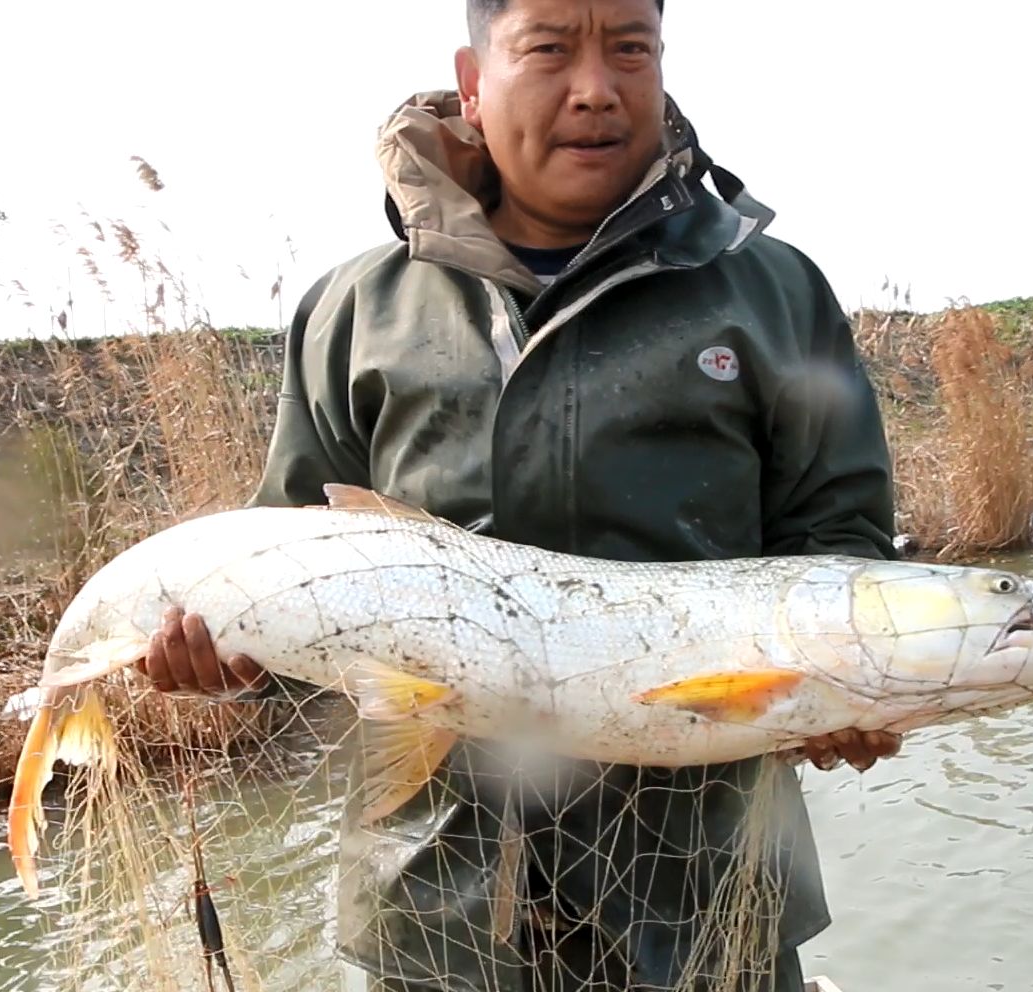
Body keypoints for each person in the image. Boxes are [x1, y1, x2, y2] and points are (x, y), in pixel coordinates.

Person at [137, 1, 903, 989]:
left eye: (632, 47)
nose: (596, 85)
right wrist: (229, 659)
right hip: (435, 906)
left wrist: (854, 690)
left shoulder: (775, 294)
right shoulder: (352, 314)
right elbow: (290, 586)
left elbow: (844, 550)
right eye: (549, 47)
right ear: (471, 81)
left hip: (714, 902)